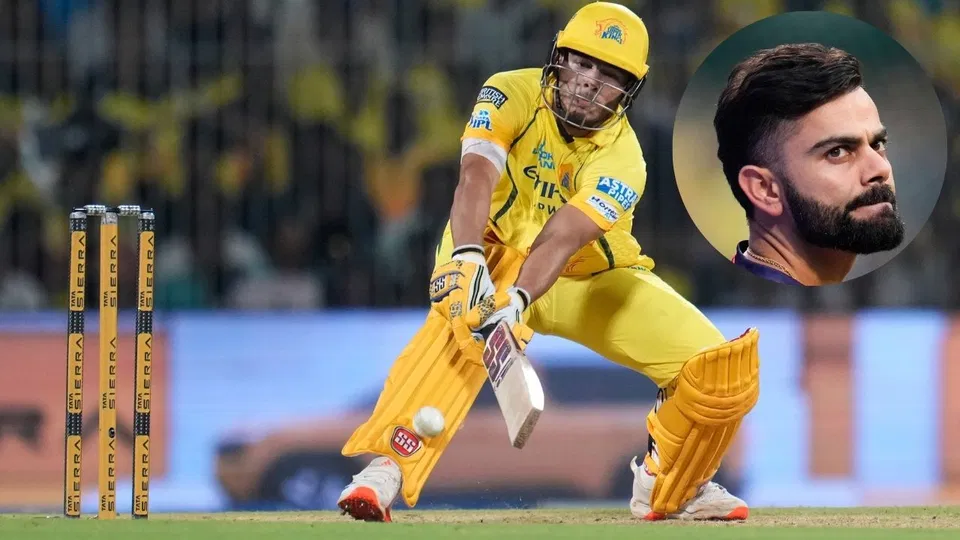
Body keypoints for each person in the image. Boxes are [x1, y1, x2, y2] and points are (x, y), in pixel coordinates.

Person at [338, 1, 759, 522]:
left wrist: (517, 302)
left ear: (630, 89)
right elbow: (474, 177)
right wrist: (467, 257)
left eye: (608, 75)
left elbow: (562, 238)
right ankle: (384, 472)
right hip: (488, 250)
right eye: (581, 63)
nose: (587, 82)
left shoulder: (625, 160)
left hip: (586, 278)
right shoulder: (508, 90)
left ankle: (672, 485)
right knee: (466, 326)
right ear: (558, 58)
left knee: (722, 370)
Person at [715, 43, 906, 286]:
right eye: (837, 152)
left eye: (877, 144)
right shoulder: (746, 319)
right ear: (764, 189)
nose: (880, 169)